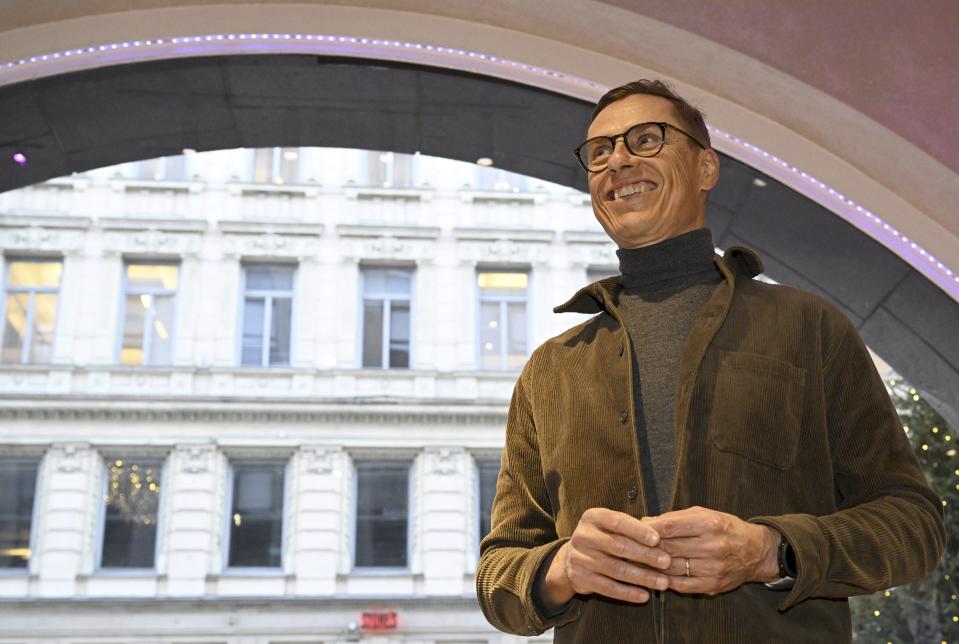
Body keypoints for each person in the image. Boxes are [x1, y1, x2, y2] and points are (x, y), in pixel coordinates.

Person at [476, 79, 945, 643]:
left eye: (645, 139)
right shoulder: (550, 370)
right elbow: (498, 570)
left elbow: (914, 527)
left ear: (706, 169)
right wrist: (563, 569)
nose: (618, 160)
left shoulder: (809, 328)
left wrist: (771, 551)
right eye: (599, 152)